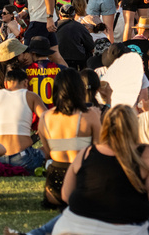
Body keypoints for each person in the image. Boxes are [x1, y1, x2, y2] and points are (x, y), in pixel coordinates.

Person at [52, 105, 149, 235]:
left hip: (71, 227)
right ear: (134, 126)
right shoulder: (147, 154)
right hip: (125, 229)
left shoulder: (86, 153)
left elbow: (65, 194)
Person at [38, 69, 101, 209]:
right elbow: (99, 150)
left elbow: (47, 153)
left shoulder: (45, 117)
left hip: (53, 186)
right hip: (81, 181)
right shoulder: (90, 115)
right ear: (79, 89)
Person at [0, 61, 47, 173]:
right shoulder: (30, 96)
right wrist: (39, 134)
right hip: (24, 158)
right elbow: (48, 120)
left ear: (6, 84)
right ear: (25, 83)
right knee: (48, 151)